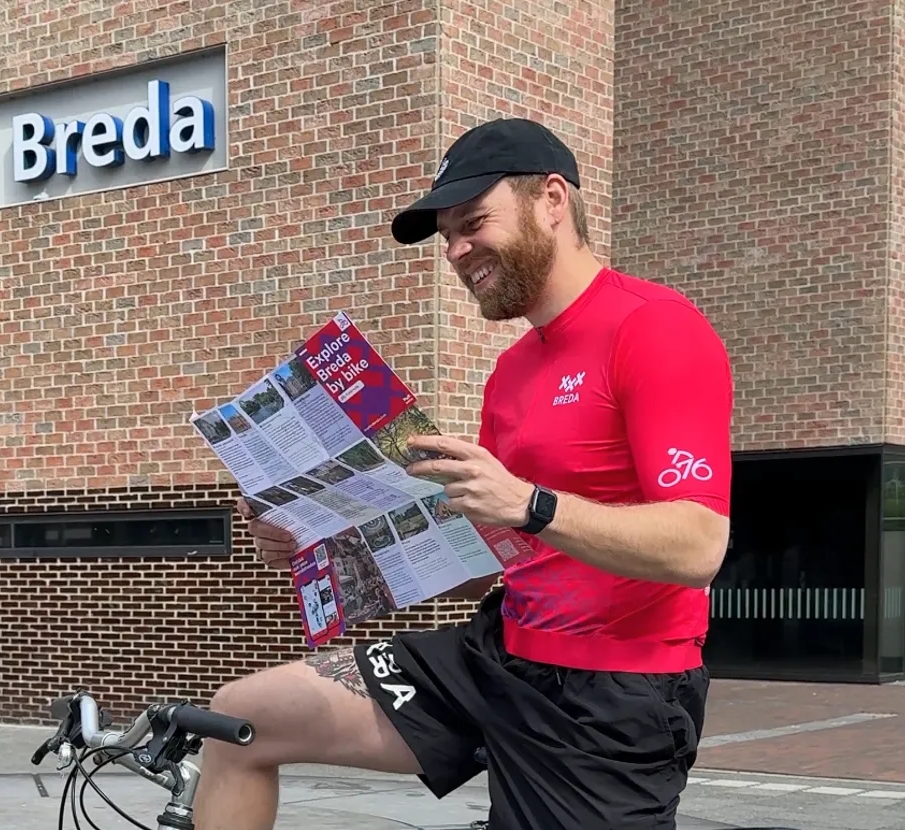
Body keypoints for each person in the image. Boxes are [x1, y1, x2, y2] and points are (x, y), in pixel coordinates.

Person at [193, 118, 734, 830]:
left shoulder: (656, 328)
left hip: (609, 699)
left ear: (551, 199)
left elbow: (699, 546)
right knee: (238, 719)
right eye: (447, 235)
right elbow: (491, 564)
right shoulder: (512, 372)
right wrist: (321, 536)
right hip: (496, 654)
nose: (457, 251)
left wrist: (532, 504)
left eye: (473, 222)